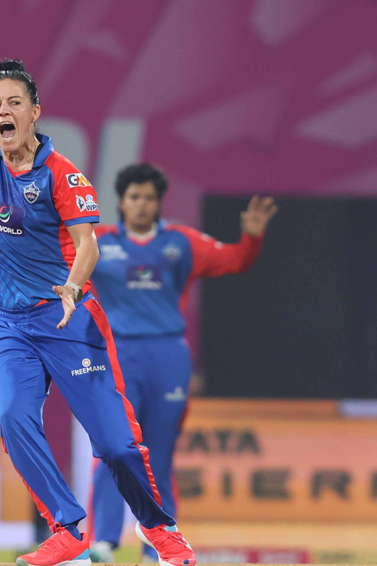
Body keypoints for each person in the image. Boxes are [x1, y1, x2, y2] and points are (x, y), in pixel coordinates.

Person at [0, 0, 195, 565]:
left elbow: (89, 245)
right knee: (13, 420)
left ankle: (161, 531)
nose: (2, 111)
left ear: (34, 112)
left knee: (117, 446)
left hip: (70, 321)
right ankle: (68, 527)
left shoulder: (62, 175)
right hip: (13, 327)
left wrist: (72, 286)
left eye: (13, 103)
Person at [87, 163, 277, 562]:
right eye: (134, 197)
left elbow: (236, 260)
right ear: (121, 201)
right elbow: (54, 261)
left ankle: (156, 546)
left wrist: (252, 238)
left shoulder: (181, 242)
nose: (141, 204)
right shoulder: (97, 242)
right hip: (117, 355)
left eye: (149, 197)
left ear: (159, 203)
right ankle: (103, 541)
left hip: (167, 356)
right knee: (113, 447)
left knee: (158, 454)